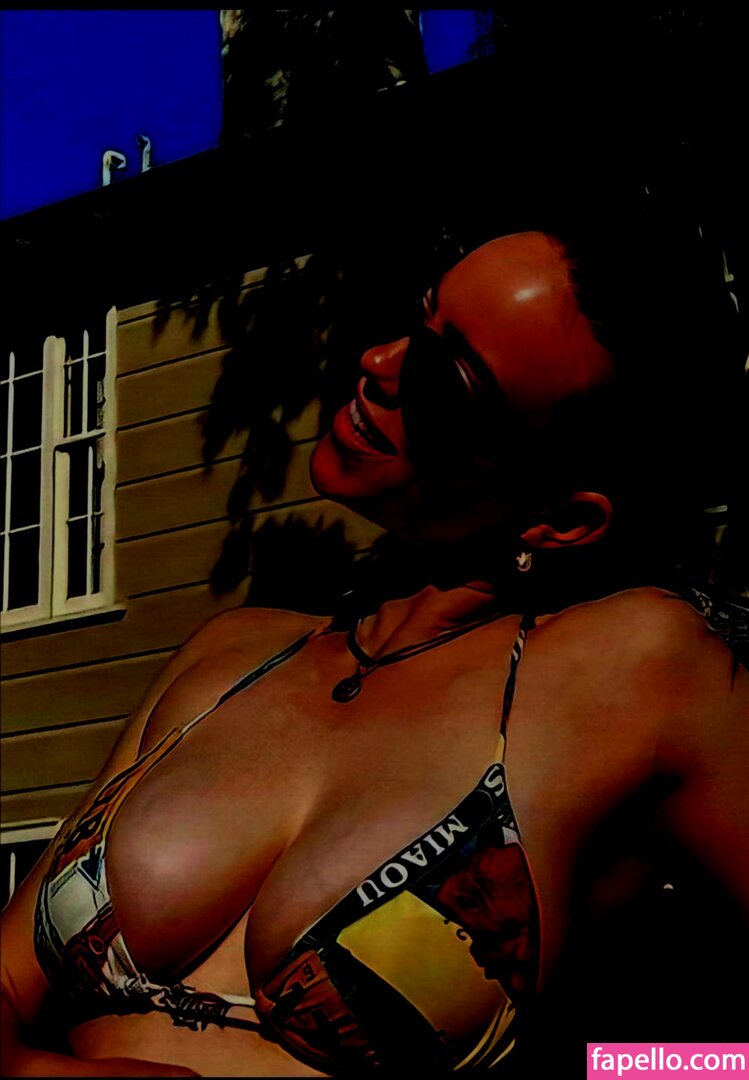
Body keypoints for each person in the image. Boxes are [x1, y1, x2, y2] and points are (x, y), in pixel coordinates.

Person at [1, 230, 747, 1077]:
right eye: (418, 319)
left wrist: (607, 1070)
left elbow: (717, 1060)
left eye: (449, 380)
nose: (379, 363)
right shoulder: (231, 654)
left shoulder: (644, 667)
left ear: (562, 519)